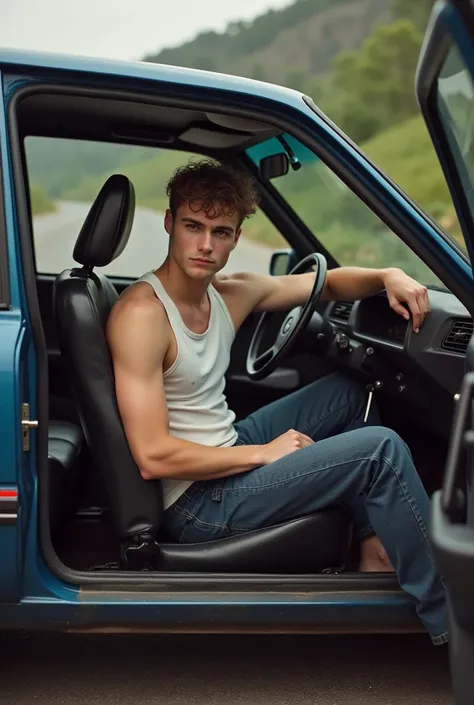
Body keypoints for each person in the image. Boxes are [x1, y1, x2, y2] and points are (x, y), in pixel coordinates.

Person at [106, 159, 447, 645]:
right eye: (193, 226)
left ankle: (376, 552)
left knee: (351, 393)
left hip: (225, 446)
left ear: (236, 237)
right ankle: (452, 622)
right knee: (379, 450)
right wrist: (264, 454)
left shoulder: (230, 293)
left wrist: (387, 273)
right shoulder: (142, 314)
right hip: (196, 501)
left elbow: (325, 283)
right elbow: (152, 454)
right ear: (169, 223)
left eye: (220, 231)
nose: (205, 245)